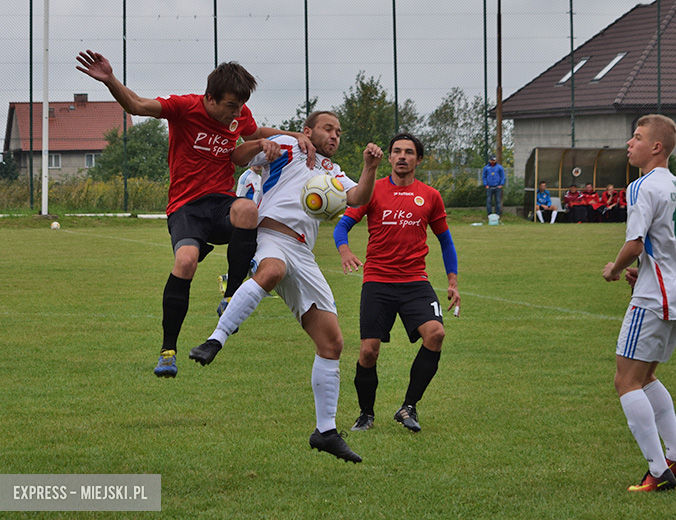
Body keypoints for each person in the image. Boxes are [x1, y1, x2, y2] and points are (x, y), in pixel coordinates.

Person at [76, 49, 314, 379]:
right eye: (231, 105)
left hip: (220, 205)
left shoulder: (237, 114)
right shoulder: (184, 107)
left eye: (240, 106)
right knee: (185, 261)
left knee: (246, 208)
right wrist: (110, 80)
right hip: (186, 207)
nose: (237, 112)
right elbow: (137, 105)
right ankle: (167, 352)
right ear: (210, 98)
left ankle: (231, 295)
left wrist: (295, 136)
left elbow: (256, 132)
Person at [189, 111, 383, 463]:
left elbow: (356, 197)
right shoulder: (290, 145)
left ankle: (324, 431)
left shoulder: (333, 173)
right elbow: (237, 157)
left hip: (303, 254)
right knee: (272, 271)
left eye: (339, 131)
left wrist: (369, 167)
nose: (335, 135)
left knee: (332, 342)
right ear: (308, 130)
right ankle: (215, 339)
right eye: (328, 128)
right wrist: (261, 144)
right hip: (269, 235)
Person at [602, 114, 676, 492]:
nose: (629, 144)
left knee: (626, 380)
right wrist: (648, 269)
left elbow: (634, 243)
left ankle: (657, 470)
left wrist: (616, 269)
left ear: (656, 147)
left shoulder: (643, 186)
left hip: (655, 298)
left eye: (636, 137)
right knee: (646, 376)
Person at [333, 133, 461, 434]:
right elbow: (343, 225)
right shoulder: (372, 191)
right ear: (389, 158)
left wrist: (453, 280)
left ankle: (409, 406)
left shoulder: (430, 195)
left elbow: (445, 240)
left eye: (409, 152)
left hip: (416, 282)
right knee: (368, 351)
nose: (402, 156)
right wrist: (345, 250)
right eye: (396, 152)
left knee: (436, 333)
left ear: (418, 159)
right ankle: (366, 414)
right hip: (378, 281)